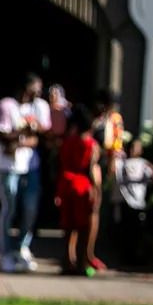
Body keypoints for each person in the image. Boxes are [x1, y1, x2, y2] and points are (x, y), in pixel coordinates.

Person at [0, 72, 51, 272]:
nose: (39, 92)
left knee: (30, 209)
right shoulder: (6, 105)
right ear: (26, 87)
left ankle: (22, 248)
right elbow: (2, 136)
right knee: (9, 209)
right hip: (8, 167)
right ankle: (5, 253)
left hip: (30, 167)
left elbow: (42, 136)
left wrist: (20, 139)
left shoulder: (39, 107)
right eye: (36, 87)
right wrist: (27, 131)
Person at [55, 104, 100, 275]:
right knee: (82, 228)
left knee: (68, 228)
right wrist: (96, 191)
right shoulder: (91, 145)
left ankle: (67, 262)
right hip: (82, 185)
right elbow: (91, 170)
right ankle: (82, 264)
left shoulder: (66, 143)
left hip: (66, 183)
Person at [89, 88, 126, 270]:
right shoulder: (94, 119)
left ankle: (95, 246)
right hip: (91, 162)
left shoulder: (114, 120)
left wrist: (111, 164)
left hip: (104, 163)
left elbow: (116, 144)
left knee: (99, 205)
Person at [113, 136, 153, 268]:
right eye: (130, 147)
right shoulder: (122, 163)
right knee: (125, 231)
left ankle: (135, 258)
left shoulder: (143, 164)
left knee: (137, 232)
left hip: (138, 203)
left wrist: (151, 167)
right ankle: (126, 257)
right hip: (125, 202)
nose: (132, 150)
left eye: (135, 148)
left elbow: (152, 175)